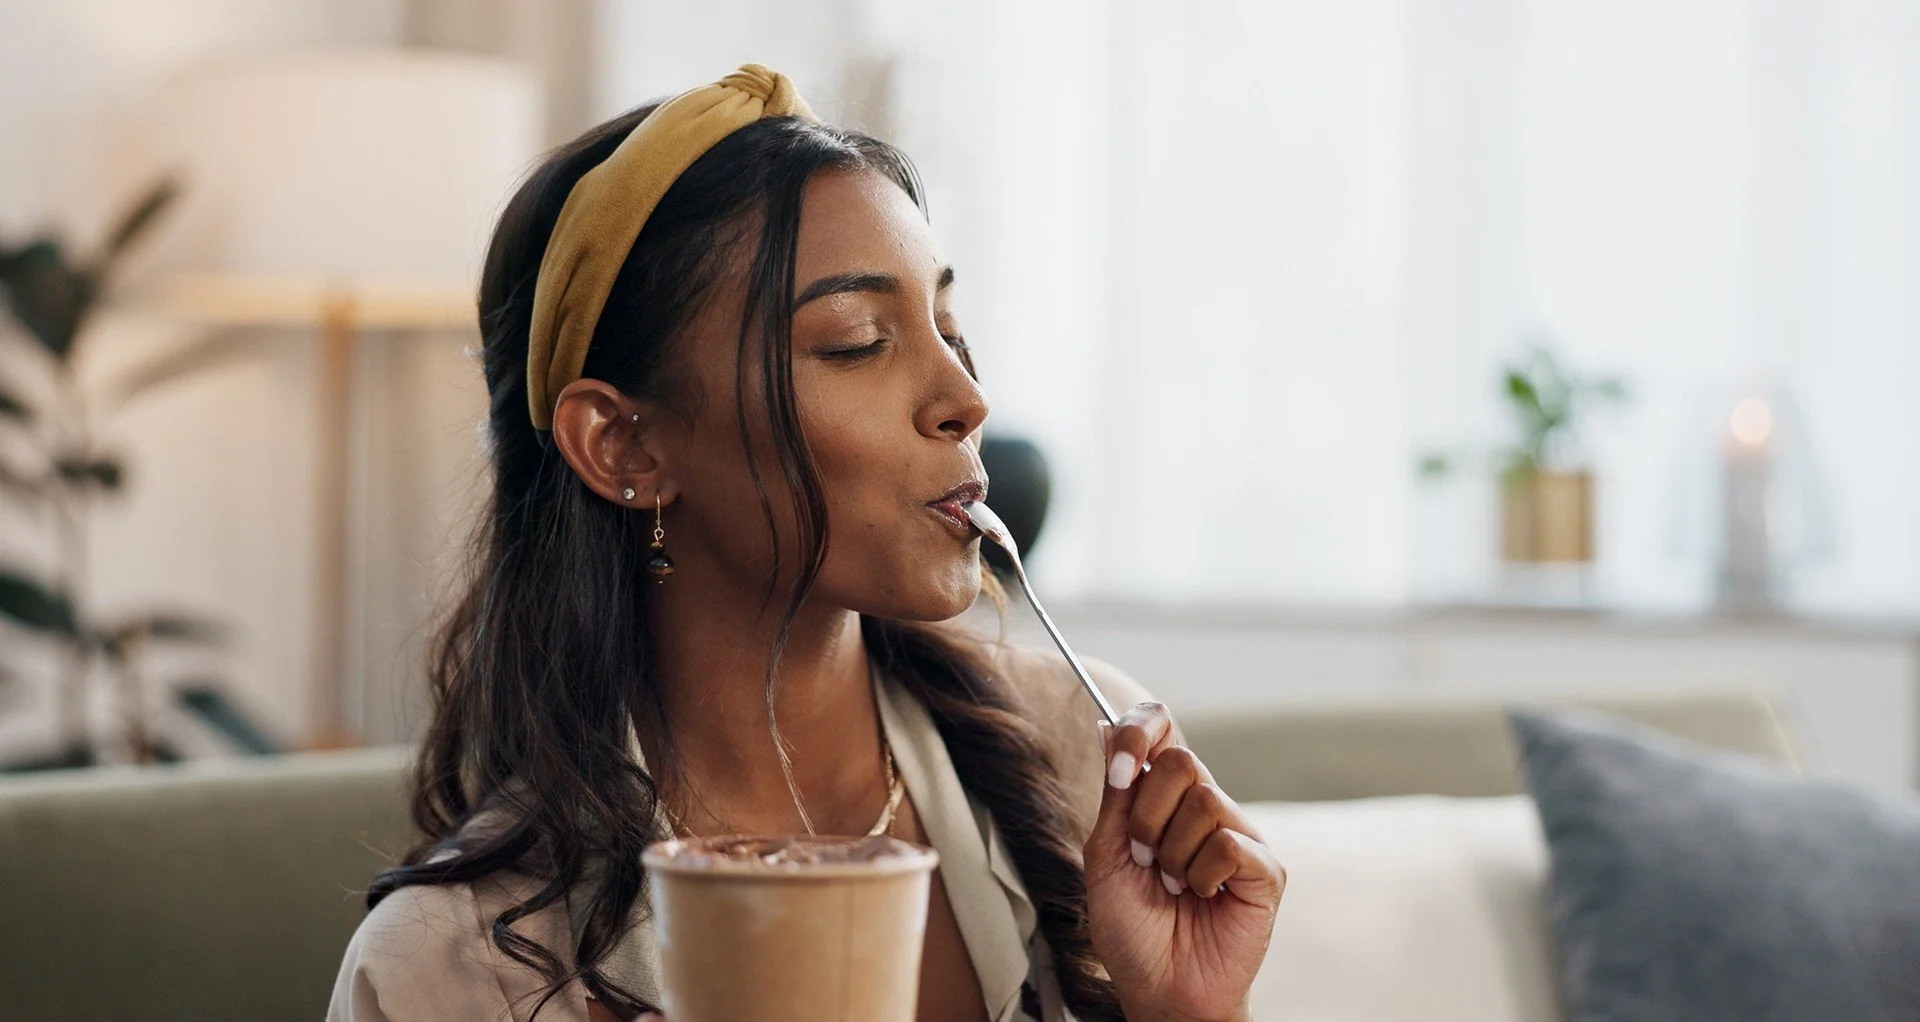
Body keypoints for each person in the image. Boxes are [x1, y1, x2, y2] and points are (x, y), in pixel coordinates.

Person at [327, 64, 1284, 1022]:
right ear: (626, 444)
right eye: (858, 340)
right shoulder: (457, 970)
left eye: (947, 327)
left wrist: (1190, 1013)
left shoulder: (1087, 760)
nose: (966, 399)